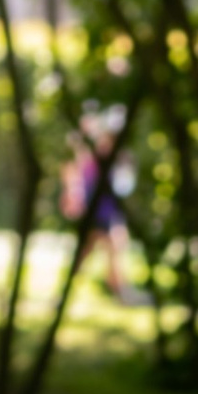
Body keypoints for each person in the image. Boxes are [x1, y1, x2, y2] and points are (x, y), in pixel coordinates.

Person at [61, 112, 134, 305]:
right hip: (98, 214)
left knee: (110, 251)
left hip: (106, 214)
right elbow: (77, 179)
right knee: (102, 251)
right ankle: (119, 293)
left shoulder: (110, 160)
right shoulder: (94, 160)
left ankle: (118, 291)